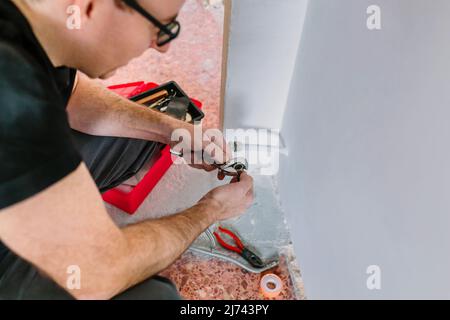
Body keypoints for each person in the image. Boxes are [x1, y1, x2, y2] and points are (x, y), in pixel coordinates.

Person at [0, 0, 254, 300]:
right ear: (90, 6)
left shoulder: (39, 24)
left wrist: (175, 130)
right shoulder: (12, 91)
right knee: (154, 297)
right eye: (161, 29)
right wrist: (211, 209)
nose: (163, 49)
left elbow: (75, 95)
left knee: (148, 133)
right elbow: (98, 272)